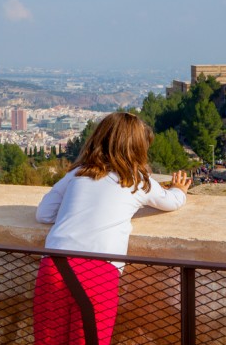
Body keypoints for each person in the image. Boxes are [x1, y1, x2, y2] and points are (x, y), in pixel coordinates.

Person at [33, 112, 191, 345]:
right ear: (138, 148)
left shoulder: (77, 174)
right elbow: (172, 201)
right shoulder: (137, 180)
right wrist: (180, 189)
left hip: (55, 267)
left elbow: (43, 214)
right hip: (98, 273)